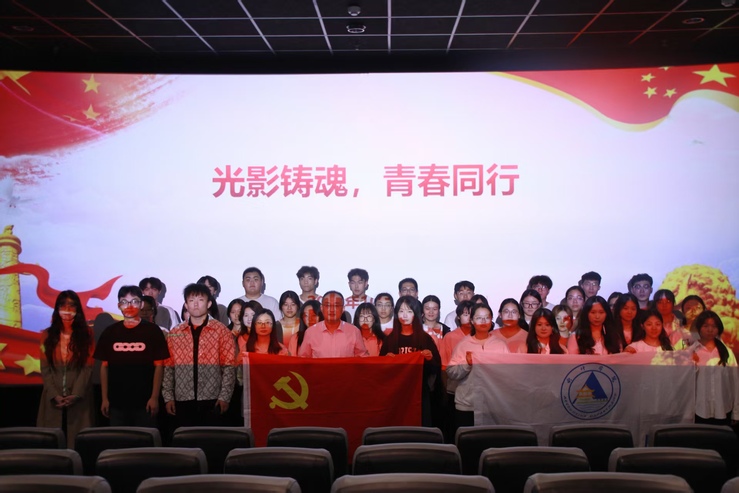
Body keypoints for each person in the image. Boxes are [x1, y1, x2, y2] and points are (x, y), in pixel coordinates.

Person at [94, 285, 169, 426]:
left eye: (134, 301)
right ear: (119, 306)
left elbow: (159, 366)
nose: (129, 306)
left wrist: (154, 397)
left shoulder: (153, 331)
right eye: (124, 302)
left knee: (145, 438)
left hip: (145, 402)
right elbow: (104, 367)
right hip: (116, 403)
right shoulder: (110, 332)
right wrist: (104, 398)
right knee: (120, 438)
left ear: (141, 304)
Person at [163, 283, 236, 427]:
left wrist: (225, 397)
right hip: (182, 398)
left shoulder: (221, 331)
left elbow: (229, 367)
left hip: (212, 398)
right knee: (184, 438)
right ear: (186, 305)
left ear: (209, 303)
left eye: (200, 300)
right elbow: (168, 367)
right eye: (191, 300)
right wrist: (168, 397)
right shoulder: (175, 333)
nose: (195, 304)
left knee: (210, 437)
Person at [38, 291, 94, 448]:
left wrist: (76, 394)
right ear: (57, 309)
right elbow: (45, 368)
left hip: (79, 399)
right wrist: (54, 394)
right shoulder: (47, 335)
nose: (67, 309)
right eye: (63, 305)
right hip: (53, 399)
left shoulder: (87, 334)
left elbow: (87, 367)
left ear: (77, 309)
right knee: (52, 444)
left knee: (78, 445)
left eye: (71, 305)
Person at [381, 296, 441, 427]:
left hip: (419, 393)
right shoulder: (390, 339)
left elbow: (436, 368)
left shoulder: (425, 339)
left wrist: (430, 359)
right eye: (401, 311)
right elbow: (381, 371)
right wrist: (386, 361)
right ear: (396, 314)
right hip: (396, 393)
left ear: (416, 314)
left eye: (409, 311)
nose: (405, 315)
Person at [447, 303, 508, 430]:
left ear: (492, 320)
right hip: (467, 405)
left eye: (487, 317)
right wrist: (467, 364)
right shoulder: (463, 344)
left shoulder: (500, 345)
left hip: (494, 404)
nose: (483, 321)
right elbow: (451, 372)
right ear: (472, 321)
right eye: (479, 318)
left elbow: (509, 374)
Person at [681, 311, 739, 425]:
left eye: (714, 326)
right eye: (706, 326)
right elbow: (684, 385)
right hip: (698, 411)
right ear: (699, 328)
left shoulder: (727, 352)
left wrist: (736, 412)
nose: (710, 330)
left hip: (723, 409)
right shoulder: (690, 352)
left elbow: (735, 383)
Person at [298, 291, 369, 358]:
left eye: (336, 305)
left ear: (343, 309)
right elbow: (304, 360)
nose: (332, 310)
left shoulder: (354, 331)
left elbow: (362, 359)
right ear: (321, 308)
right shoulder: (310, 332)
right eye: (327, 305)